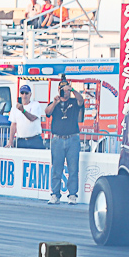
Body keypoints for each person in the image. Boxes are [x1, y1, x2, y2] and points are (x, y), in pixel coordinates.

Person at [45, 76, 84, 204]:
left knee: (73, 168)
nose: (64, 92)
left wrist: (72, 89)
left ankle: (72, 194)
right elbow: (47, 112)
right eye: (62, 89)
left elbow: (81, 101)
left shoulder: (73, 101)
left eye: (65, 89)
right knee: (56, 168)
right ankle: (55, 194)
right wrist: (55, 101)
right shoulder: (54, 103)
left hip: (72, 138)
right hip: (57, 139)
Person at [6, 85, 46, 149]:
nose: (24, 95)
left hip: (34, 139)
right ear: (20, 94)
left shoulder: (35, 104)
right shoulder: (14, 107)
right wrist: (10, 141)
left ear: (30, 95)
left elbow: (32, 118)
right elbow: (13, 124)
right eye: (22, 93)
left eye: (26, 93)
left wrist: (23, 110)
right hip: (21, 140)